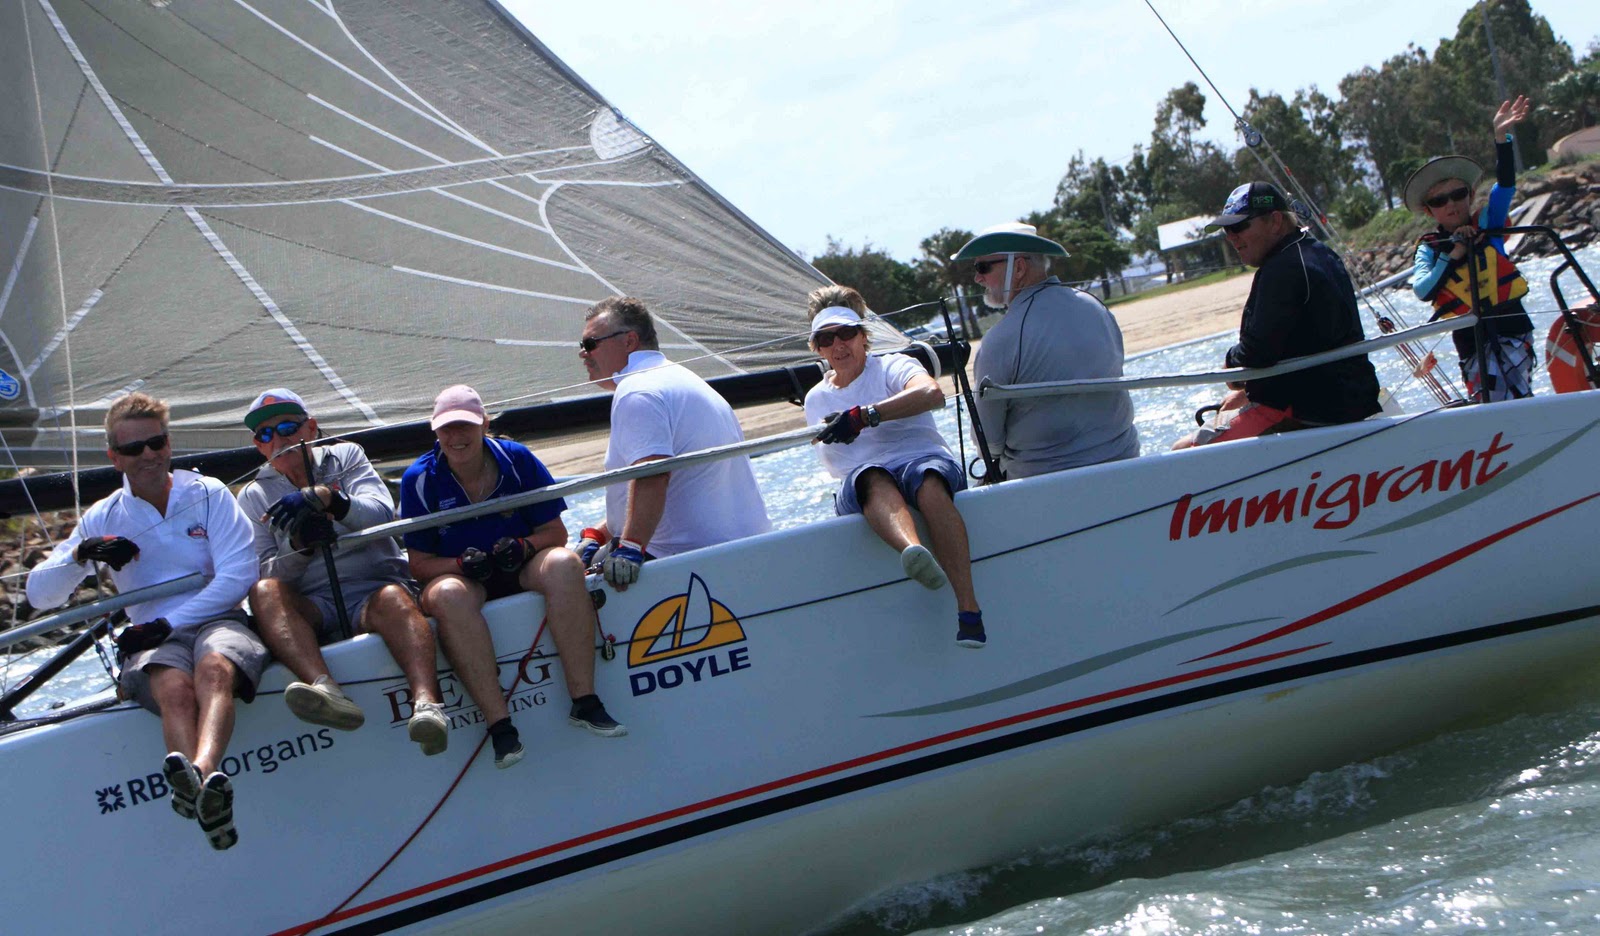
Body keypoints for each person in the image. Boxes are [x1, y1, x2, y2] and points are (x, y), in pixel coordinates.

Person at [25, 393, 261, 850]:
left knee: (214, 670)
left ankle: (204, 773)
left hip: (217, 616)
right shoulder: (105, 514)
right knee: (173, 687)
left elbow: (238, 575)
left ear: (169, 445)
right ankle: (207, 795)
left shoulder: (207, 493)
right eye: (134, 449)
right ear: (115, 458)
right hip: (152, 634)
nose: (148, 455)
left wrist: (168, 623)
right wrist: (81, 554)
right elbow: (39, 595)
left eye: (156, 443)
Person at [399, 385, 625, 770]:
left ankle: (585, 702)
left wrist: (523, 547)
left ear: (485, 424)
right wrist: (460, 564)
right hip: (465, 581)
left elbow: (555, 534)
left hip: (520, 569)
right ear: (434, 432)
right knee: (448, 595)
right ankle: (500, 727)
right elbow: (419, 564)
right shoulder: (418, 479)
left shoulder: (517, 459)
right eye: (446, 429)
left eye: (465, 426)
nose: (456, 437)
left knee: (564, 563)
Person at [234, 388, 449, 756]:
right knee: (264, 592)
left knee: (394, 598)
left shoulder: (347, 456)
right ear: (258, 446)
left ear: (312, 428)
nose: (280, 439)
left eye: (288, 427)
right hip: (314, 605)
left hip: (375, 587)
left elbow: (384, 515)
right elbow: (262, 571)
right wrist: (299, 546)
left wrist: (333, 501)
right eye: (266, 434)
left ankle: (428, 706)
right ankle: (325, 689)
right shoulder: (252, 497)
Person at [803, 297, 987, 648]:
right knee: (872, 477)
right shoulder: (816, 399)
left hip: (921, 458)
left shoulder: (893, 366)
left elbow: (931, 392)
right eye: (827, 339)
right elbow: (836, 466)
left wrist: (863, 416)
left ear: (863, 337)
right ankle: (914, 552)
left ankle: (969, 610)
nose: (838, 344)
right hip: (866, 477)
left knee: (930, 481)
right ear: (818, 349)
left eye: (846, 333)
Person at [575, 296, 771, 589]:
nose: (582, 354)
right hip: (753, 551)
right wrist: (600, 533)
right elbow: (682, 484)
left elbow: (653, 474)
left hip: (689, 567)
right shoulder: (683, 379)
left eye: (590, 344)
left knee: (564, 584)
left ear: (629, 341)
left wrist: (630, 548)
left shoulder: (636, 390)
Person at [1174, 182, 1380, 448]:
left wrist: (1232, 370)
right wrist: (1249, 393)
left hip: (1309, 411)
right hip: (1353, 398)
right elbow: (1303, 343)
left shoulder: (1282, 269)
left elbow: (1255, 355)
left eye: (1239, 227)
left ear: (1275, 221)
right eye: (1227, 230)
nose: (1231, 237)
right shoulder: (1321, 252)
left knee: (1181, 450)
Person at [957, 223, 1139, 479]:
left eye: (983, 267)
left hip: (1048, 483)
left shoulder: (1000, 339)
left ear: (1018, 268)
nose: (977, 278)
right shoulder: (1097, 307)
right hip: (1126, 461)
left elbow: (989, 443)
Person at [1406, 96, 1537, 402]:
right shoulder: (1429, 249)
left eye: (1457, 194)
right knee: (1490, 397)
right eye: (1439, 201)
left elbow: (1504, 188)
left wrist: (1501, 139)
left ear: (1470, 195)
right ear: (1429, 211)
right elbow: (1423, 289)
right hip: (1470, 344)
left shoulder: (1488, 224)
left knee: (1508, 394)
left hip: (1513, 333)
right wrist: (1454, 255)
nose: (1450, 204)